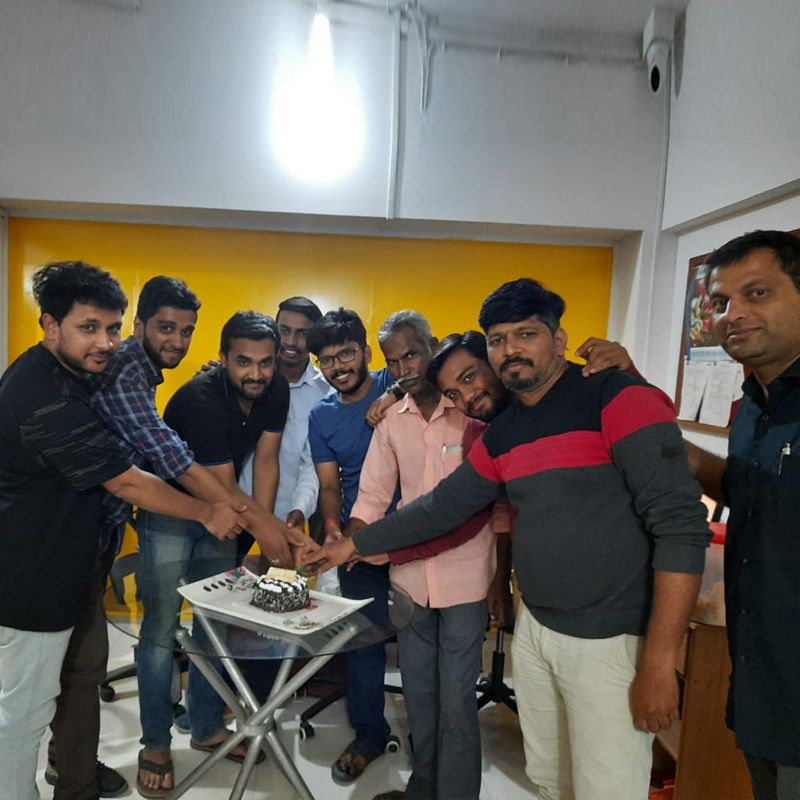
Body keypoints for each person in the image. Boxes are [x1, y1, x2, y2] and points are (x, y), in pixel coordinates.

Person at [305, 279, 711, 800]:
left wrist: (659, 661)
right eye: (499, 339)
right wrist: (349, 544)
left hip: (607, 637)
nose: (510, 350)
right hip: (536, 628)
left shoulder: (613, 395)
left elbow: (680, 526)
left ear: (559, 339)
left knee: (604, 785)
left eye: (526, 334)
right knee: (551, 778)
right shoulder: (504, 429)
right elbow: (440, 507)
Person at [0, 261, 243, 800]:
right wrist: (208, 513)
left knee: (62, 685)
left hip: (63, 562)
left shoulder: (65, 375)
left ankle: (74, 780)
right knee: (23, 713)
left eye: (111, 328)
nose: (106, 343)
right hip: (32, 576)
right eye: (89, 327)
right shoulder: (46, 396)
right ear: (50, 325)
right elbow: (129, 480)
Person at [134, 310, 296, 797]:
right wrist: (269, 533)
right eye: (243, 362)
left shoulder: (276, 389)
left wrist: (266, 537)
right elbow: (222, 488)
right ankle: (155, 744)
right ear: (222, 358)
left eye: (265, 362)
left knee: (214, 623)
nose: (256, 373)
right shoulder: (198, 400)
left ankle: (205, 727)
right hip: (173, 512)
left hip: (226, 517)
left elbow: (265, 461)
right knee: (161, 630)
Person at [350, 311, 509, 800]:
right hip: (409, 578)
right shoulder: (390, 420)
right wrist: (352, 541)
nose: (404, 369)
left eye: (412, 355)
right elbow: (372, 496)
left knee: (457, 700)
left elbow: (497, 505)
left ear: (431, 346)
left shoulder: (470, 410)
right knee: (418, 694)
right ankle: (423, 789)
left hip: (467, 577)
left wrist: (500, 580)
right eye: (393, 362)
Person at [684, 230, 800, 799]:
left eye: (757, 293)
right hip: (762, 685)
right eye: (721, 302)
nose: (734, 315)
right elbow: (749, 492)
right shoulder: (755, 405)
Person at [307, 308, 399, 784]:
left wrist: (396, 392)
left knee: (426, 644)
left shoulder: (395, 380)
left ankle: (437, 741)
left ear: (365, 352)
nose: (338, 367)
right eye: (327, 360)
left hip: (417, 537)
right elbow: (329, 485)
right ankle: (369, 734)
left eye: (346, 354)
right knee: (364, 641)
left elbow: (437, 363)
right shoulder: (321, 416)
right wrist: (331, 527)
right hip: (357, 541)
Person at [238, 296, 330, 536]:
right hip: (237, 509)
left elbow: (314, 464)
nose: (290, 341)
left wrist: (299, 510)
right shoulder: (245, 381)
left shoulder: (327, 393)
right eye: (284, 330)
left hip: (291, 518)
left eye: (302, 334)